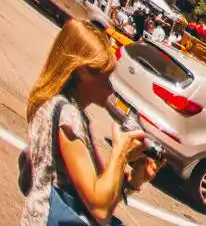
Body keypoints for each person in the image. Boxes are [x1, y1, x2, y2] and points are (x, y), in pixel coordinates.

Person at [22, 18, 159, 226]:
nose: (111, 88)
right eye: (105, 77)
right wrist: (119, 152)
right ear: (83, 72)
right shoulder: (68, 117)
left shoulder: (56, 105)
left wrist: (133, 179)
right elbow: (99, 209)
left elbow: (97, 193)